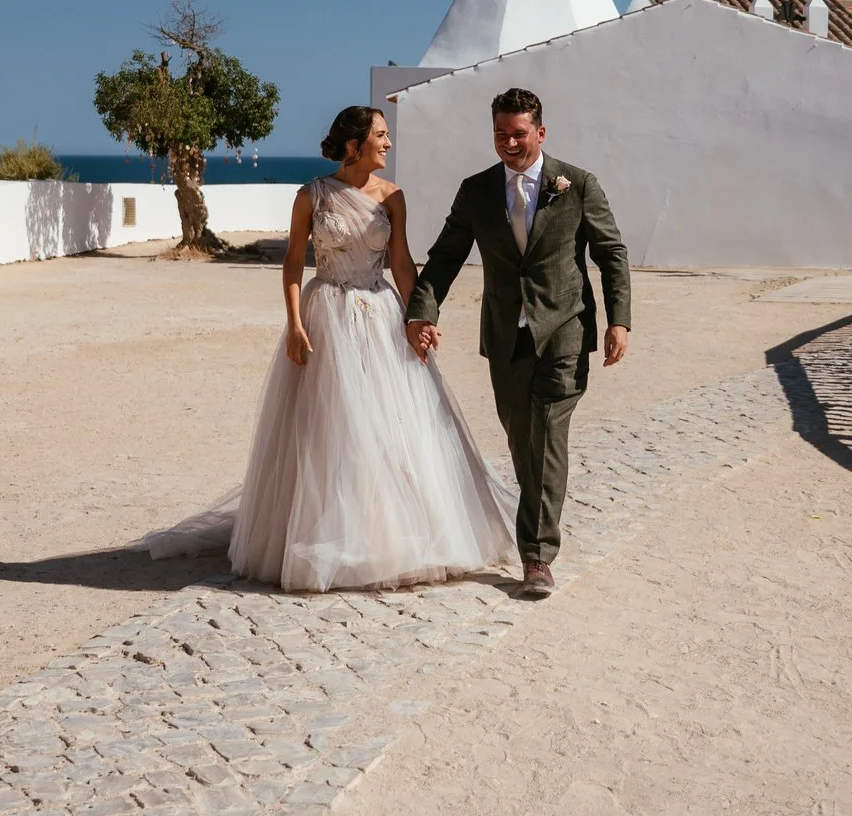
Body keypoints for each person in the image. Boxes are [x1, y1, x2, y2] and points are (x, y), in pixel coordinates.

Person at [154, 104, 515, 591]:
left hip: (382, 315)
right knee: (334, 425)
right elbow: (293, 264)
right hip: (328, 315)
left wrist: (419, 318)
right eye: (380, 136)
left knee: (392, 424)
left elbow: (403, 264)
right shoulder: (312, 195)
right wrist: (295, 324)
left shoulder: (393, 197)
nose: (388, 144)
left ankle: (392, 533)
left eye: (387, 135)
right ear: (354, 144)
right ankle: (329, 533)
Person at [405, 87, 631, 600]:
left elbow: (612, 253)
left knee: (549, 433)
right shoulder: (477, 190)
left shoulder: (578, 185)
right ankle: (534, 517)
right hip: (506, 334)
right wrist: (422, 311)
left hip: (565, 330)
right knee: (520, 437)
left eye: (519, 133)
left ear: (541, 133)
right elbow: (445, 256)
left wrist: (620, 320)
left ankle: (537, 556)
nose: (509, 142)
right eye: (500, 134)